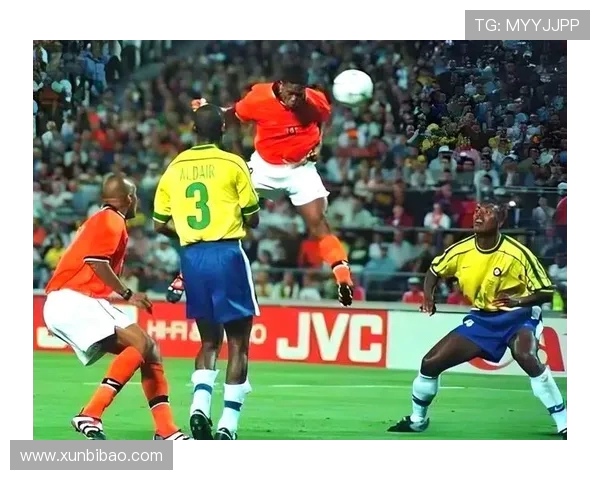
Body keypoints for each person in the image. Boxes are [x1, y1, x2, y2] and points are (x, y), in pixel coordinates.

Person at [167, 64, 353, 307]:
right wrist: (208, 109)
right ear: (280, 85)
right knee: (219, 211)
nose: (295, 99)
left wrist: (318, 144)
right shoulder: (259, 98)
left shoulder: (314, 100)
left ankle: (343, 277)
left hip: (301, 170)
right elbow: (232, 114)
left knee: (318, 222)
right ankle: (185, 274)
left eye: (300, 94)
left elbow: (322, 119)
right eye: (291, 93)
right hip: (264, 168)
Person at [388, 200, 567, 439]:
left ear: (501, 220)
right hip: (483, 319)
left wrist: (518, 301)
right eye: (477, 211)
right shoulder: (460, 251)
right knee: (429, 364)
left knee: (526, 356)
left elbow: (545, 291)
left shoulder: (517, 254)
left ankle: (565, 423)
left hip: (518, 316)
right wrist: (428, 297)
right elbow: (434, 270)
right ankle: (417, 420)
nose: (479, 216)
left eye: (488, 212)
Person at [43, 175, 189, 441]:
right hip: (76, 299)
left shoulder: (99, 219)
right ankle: (90, 413)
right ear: (130, 198)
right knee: (143, 344)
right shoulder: (112, 219)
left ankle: (166, 430)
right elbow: (96, 261)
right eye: (136, 197)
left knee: (149, 349)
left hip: (67, 301)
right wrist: (127, 293)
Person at [153, 104, 261, 440]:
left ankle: (199, 407)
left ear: (193, 130)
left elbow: (159, 223)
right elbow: (253, 217)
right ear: (223, 129)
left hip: (192, 258)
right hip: (226, 253)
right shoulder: (233, 163)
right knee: (239, 343)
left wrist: (187, 233)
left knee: (209, 341)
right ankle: (228, 424)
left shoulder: (174, 167)